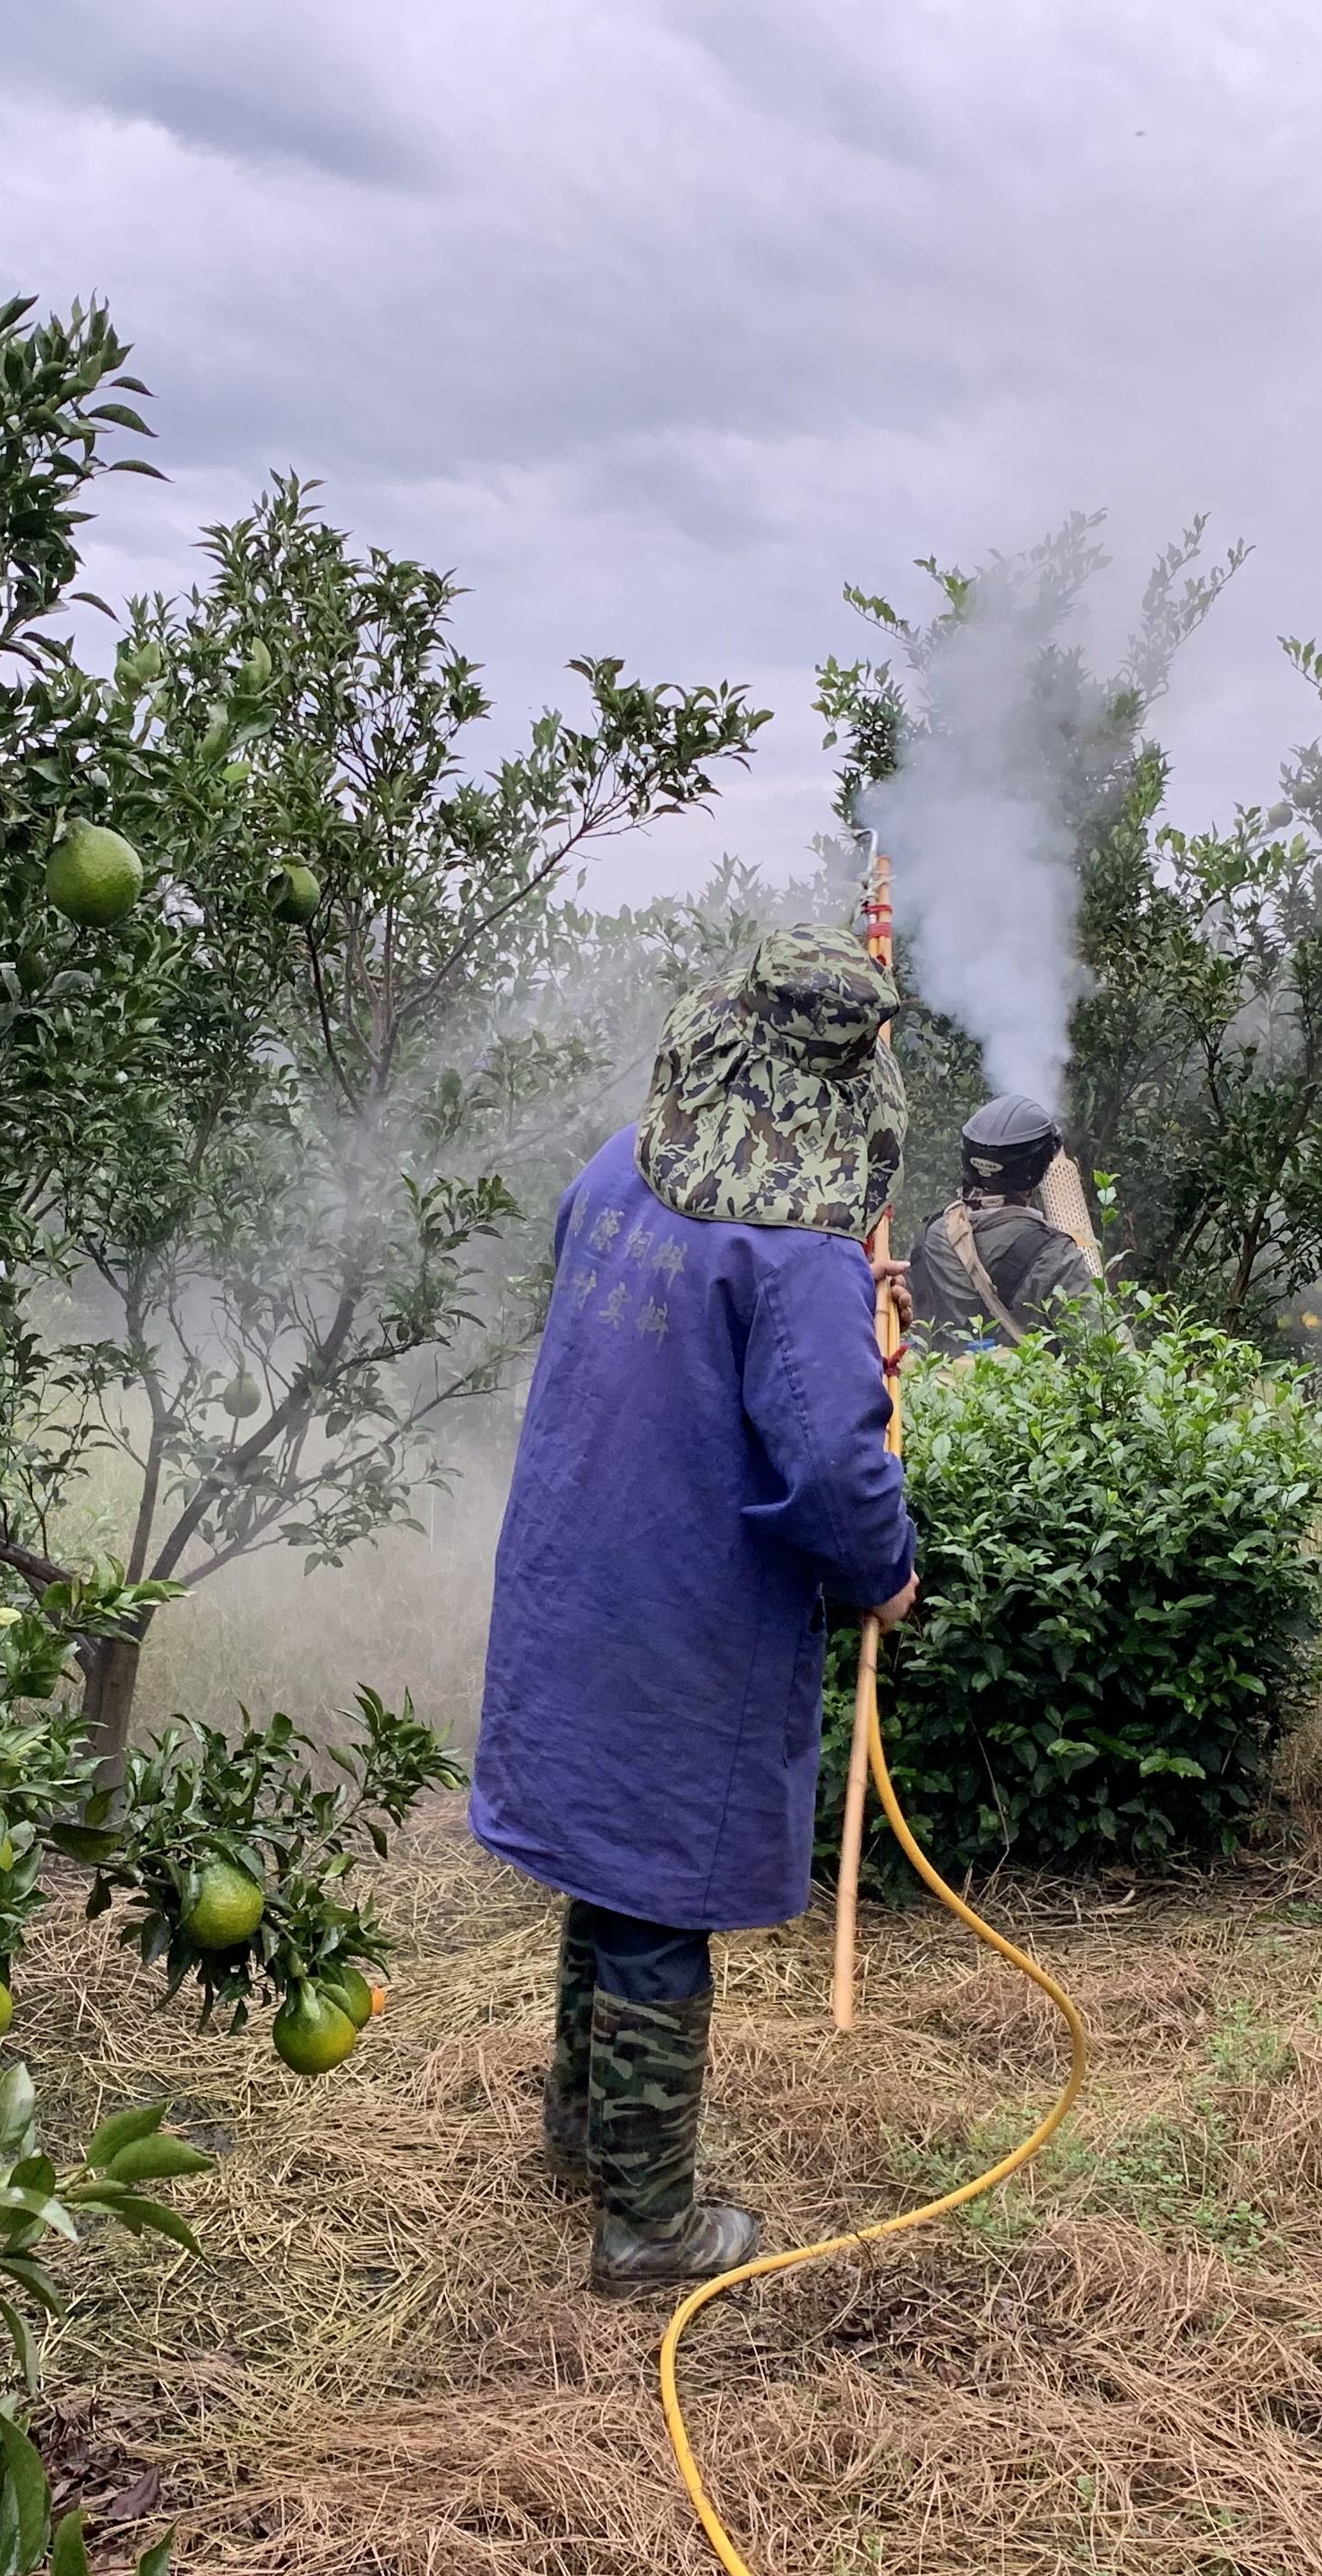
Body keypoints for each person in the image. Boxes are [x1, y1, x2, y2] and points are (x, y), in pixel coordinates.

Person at [468, 924, 922, 2298]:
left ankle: (580, 2130)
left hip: (575, 1575)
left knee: (609, 1869)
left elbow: (721, 1340)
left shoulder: (620, 1166)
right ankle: (648, 2221)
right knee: (660, 1895)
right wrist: (885, 1573)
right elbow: (838, 1467)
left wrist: (846, 1311)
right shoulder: (799, 1257)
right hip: (680, 1612)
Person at [902, 1091, 1099, 1351]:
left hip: (934, 1388)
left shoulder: (931, 1234)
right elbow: (1091, 1354)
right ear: (1037, 1167)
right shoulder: (1055, 1255)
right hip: (1020, 1391)